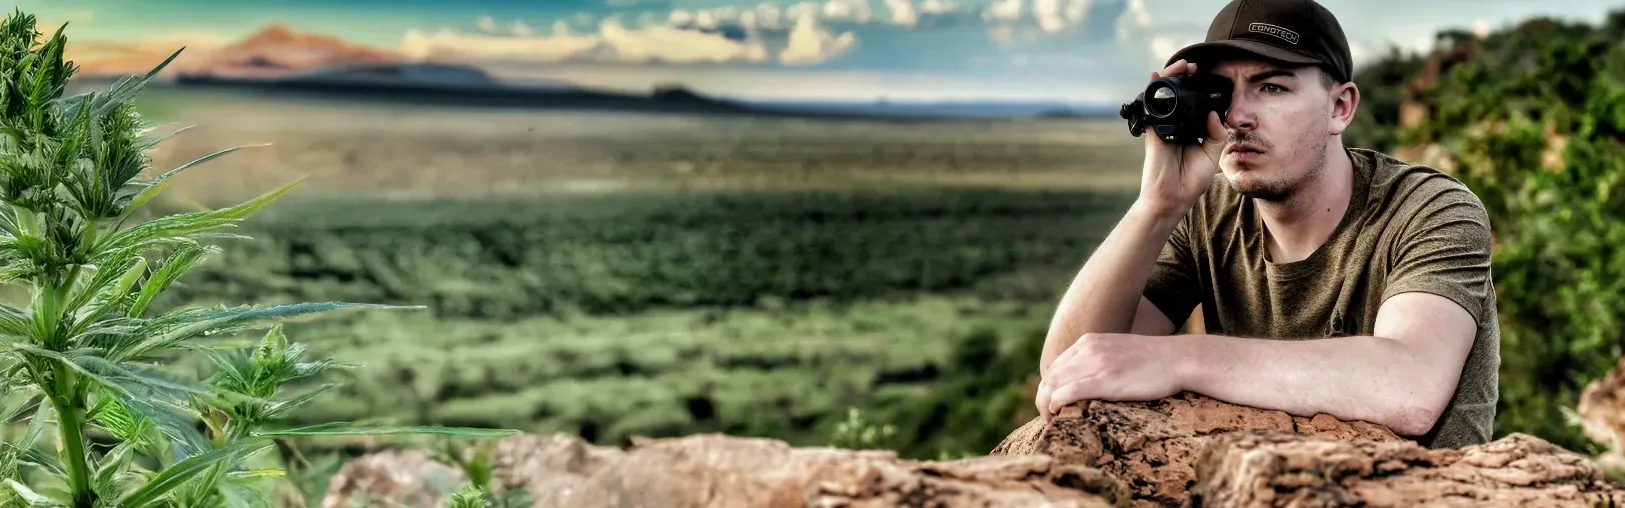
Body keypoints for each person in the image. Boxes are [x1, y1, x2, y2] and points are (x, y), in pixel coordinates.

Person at [1032, 0, 1499, 449]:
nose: (1236, 118)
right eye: (1220, 93)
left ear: (1341, 107)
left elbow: (1410, 387)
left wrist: (1178, 358)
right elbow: (1067, 371)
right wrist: (1155, 206)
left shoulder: (1430, 209)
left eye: (1272, 87)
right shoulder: (1205, 212)